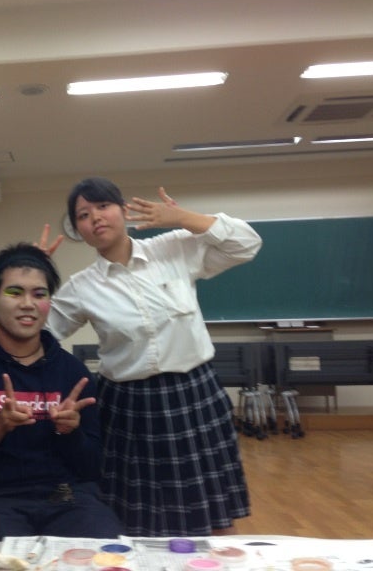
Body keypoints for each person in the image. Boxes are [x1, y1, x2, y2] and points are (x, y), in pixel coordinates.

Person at [46, 177, 262, 537]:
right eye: (83, 215)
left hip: (194, 395)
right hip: (129, 406)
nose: (95, 217)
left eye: (103, 206)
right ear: (79, 230)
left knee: (213, 511)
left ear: (123, 210)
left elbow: (246, 244)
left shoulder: (174, 247)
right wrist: (30, 275)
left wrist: (184, 217)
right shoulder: (82, 287)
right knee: (137, 517)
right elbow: (35, 332)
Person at [0, 243, 123, 540]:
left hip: (65, 496)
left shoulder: (74, 374)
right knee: (1, 559)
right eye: (15, 292)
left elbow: (91, 469)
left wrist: (69, 432)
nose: (27, 304)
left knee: (105, 550)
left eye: (39, 294)